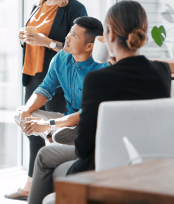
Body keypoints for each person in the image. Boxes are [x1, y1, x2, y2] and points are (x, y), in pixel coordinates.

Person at [21, 1, 172, 204]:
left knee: (48, 163)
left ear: (108, 35)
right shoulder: (162, 73)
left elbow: (83, 149)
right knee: (49, 156)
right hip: (150, 168)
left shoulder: (100, 79)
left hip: (104, 168)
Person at [6, 0, 87, 201]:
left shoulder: (74, 8)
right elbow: (32, 38)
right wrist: (24, 37)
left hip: (58, 80)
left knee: (55, 135)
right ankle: (31, 187)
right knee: (31, 129)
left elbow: (80, 47)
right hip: (33, 74)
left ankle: (57, 190)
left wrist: (47, 42)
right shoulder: (37, 4)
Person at [14, 17, 108, 147]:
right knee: (20, 112)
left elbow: (88, 112)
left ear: (89, 46)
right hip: (67, 120)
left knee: (85, 123)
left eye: (74, 36)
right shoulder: (61, 58)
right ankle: (54, 135)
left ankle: (65, 132)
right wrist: (26, 112)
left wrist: (48, 124)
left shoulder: (101, 70)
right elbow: (45, 89)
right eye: (70, 32)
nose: (67, 38)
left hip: (91, 121)